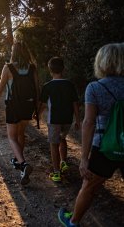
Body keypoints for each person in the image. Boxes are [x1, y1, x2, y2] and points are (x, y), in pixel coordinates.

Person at [58, 43, 124, 227]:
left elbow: (88, 123)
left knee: (89, 186)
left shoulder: (95, 88)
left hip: (105, 147)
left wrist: (84, 158)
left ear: (102, 62)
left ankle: (73, 222)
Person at [0, 38, 39, 185]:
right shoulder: (32, 68)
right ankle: (19, 160)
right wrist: (36, 108)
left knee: (11, 137)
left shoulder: (9, 68)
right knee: (20, 133)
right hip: (28, 105)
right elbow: (37, 89)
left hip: (13, 106)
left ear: (13, 52)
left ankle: (23, 164)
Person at [37, 57, 80, 183]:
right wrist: (77, 120)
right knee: (62, 138)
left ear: (50, 70)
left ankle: (56, 173)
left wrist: (37, 115)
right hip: (67, 119)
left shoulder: (48, 86)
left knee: (54, 144)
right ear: (63, 69)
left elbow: (43, 104)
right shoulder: (70, 84)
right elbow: (75, 103)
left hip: (54, 120)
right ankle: (63, 162)